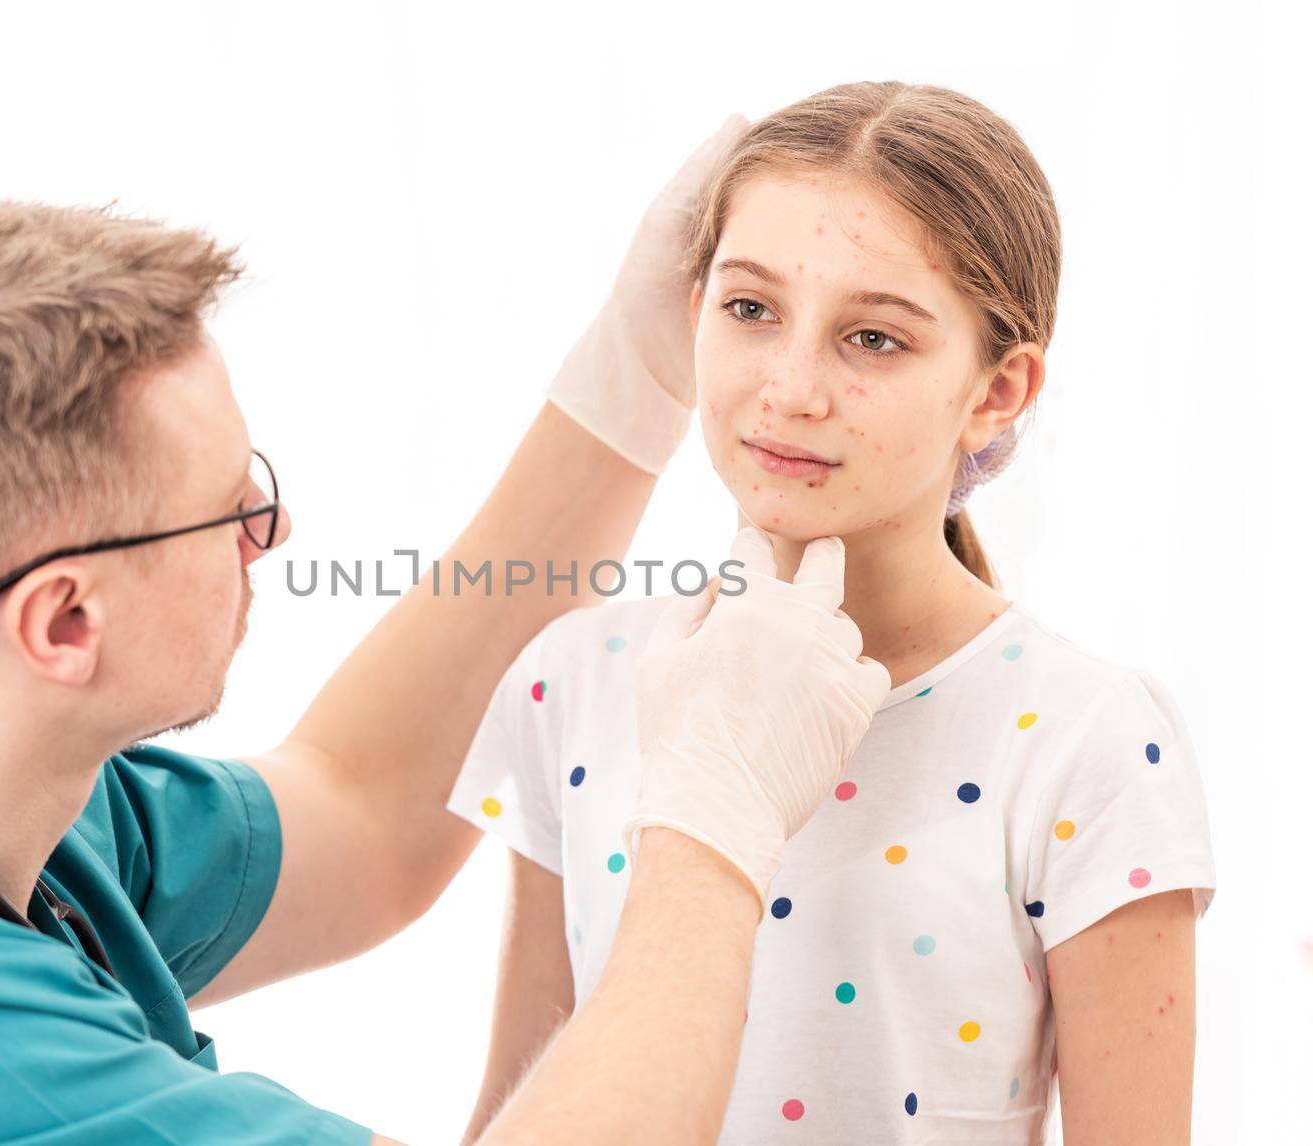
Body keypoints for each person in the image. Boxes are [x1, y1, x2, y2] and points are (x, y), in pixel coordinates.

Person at [0, 115, 890, 1144]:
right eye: (230, 508)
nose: (273, 532)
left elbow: (363, 812)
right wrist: (713, 821)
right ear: (64, 619)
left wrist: (631, 378)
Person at [448, 83, 1218, 1145]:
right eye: (751, 309)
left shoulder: (1088, 739)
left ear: (997, 391)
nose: (790, 389)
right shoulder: (573, 678)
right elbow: (514, 1116)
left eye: (873, 340)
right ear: (692, 311)